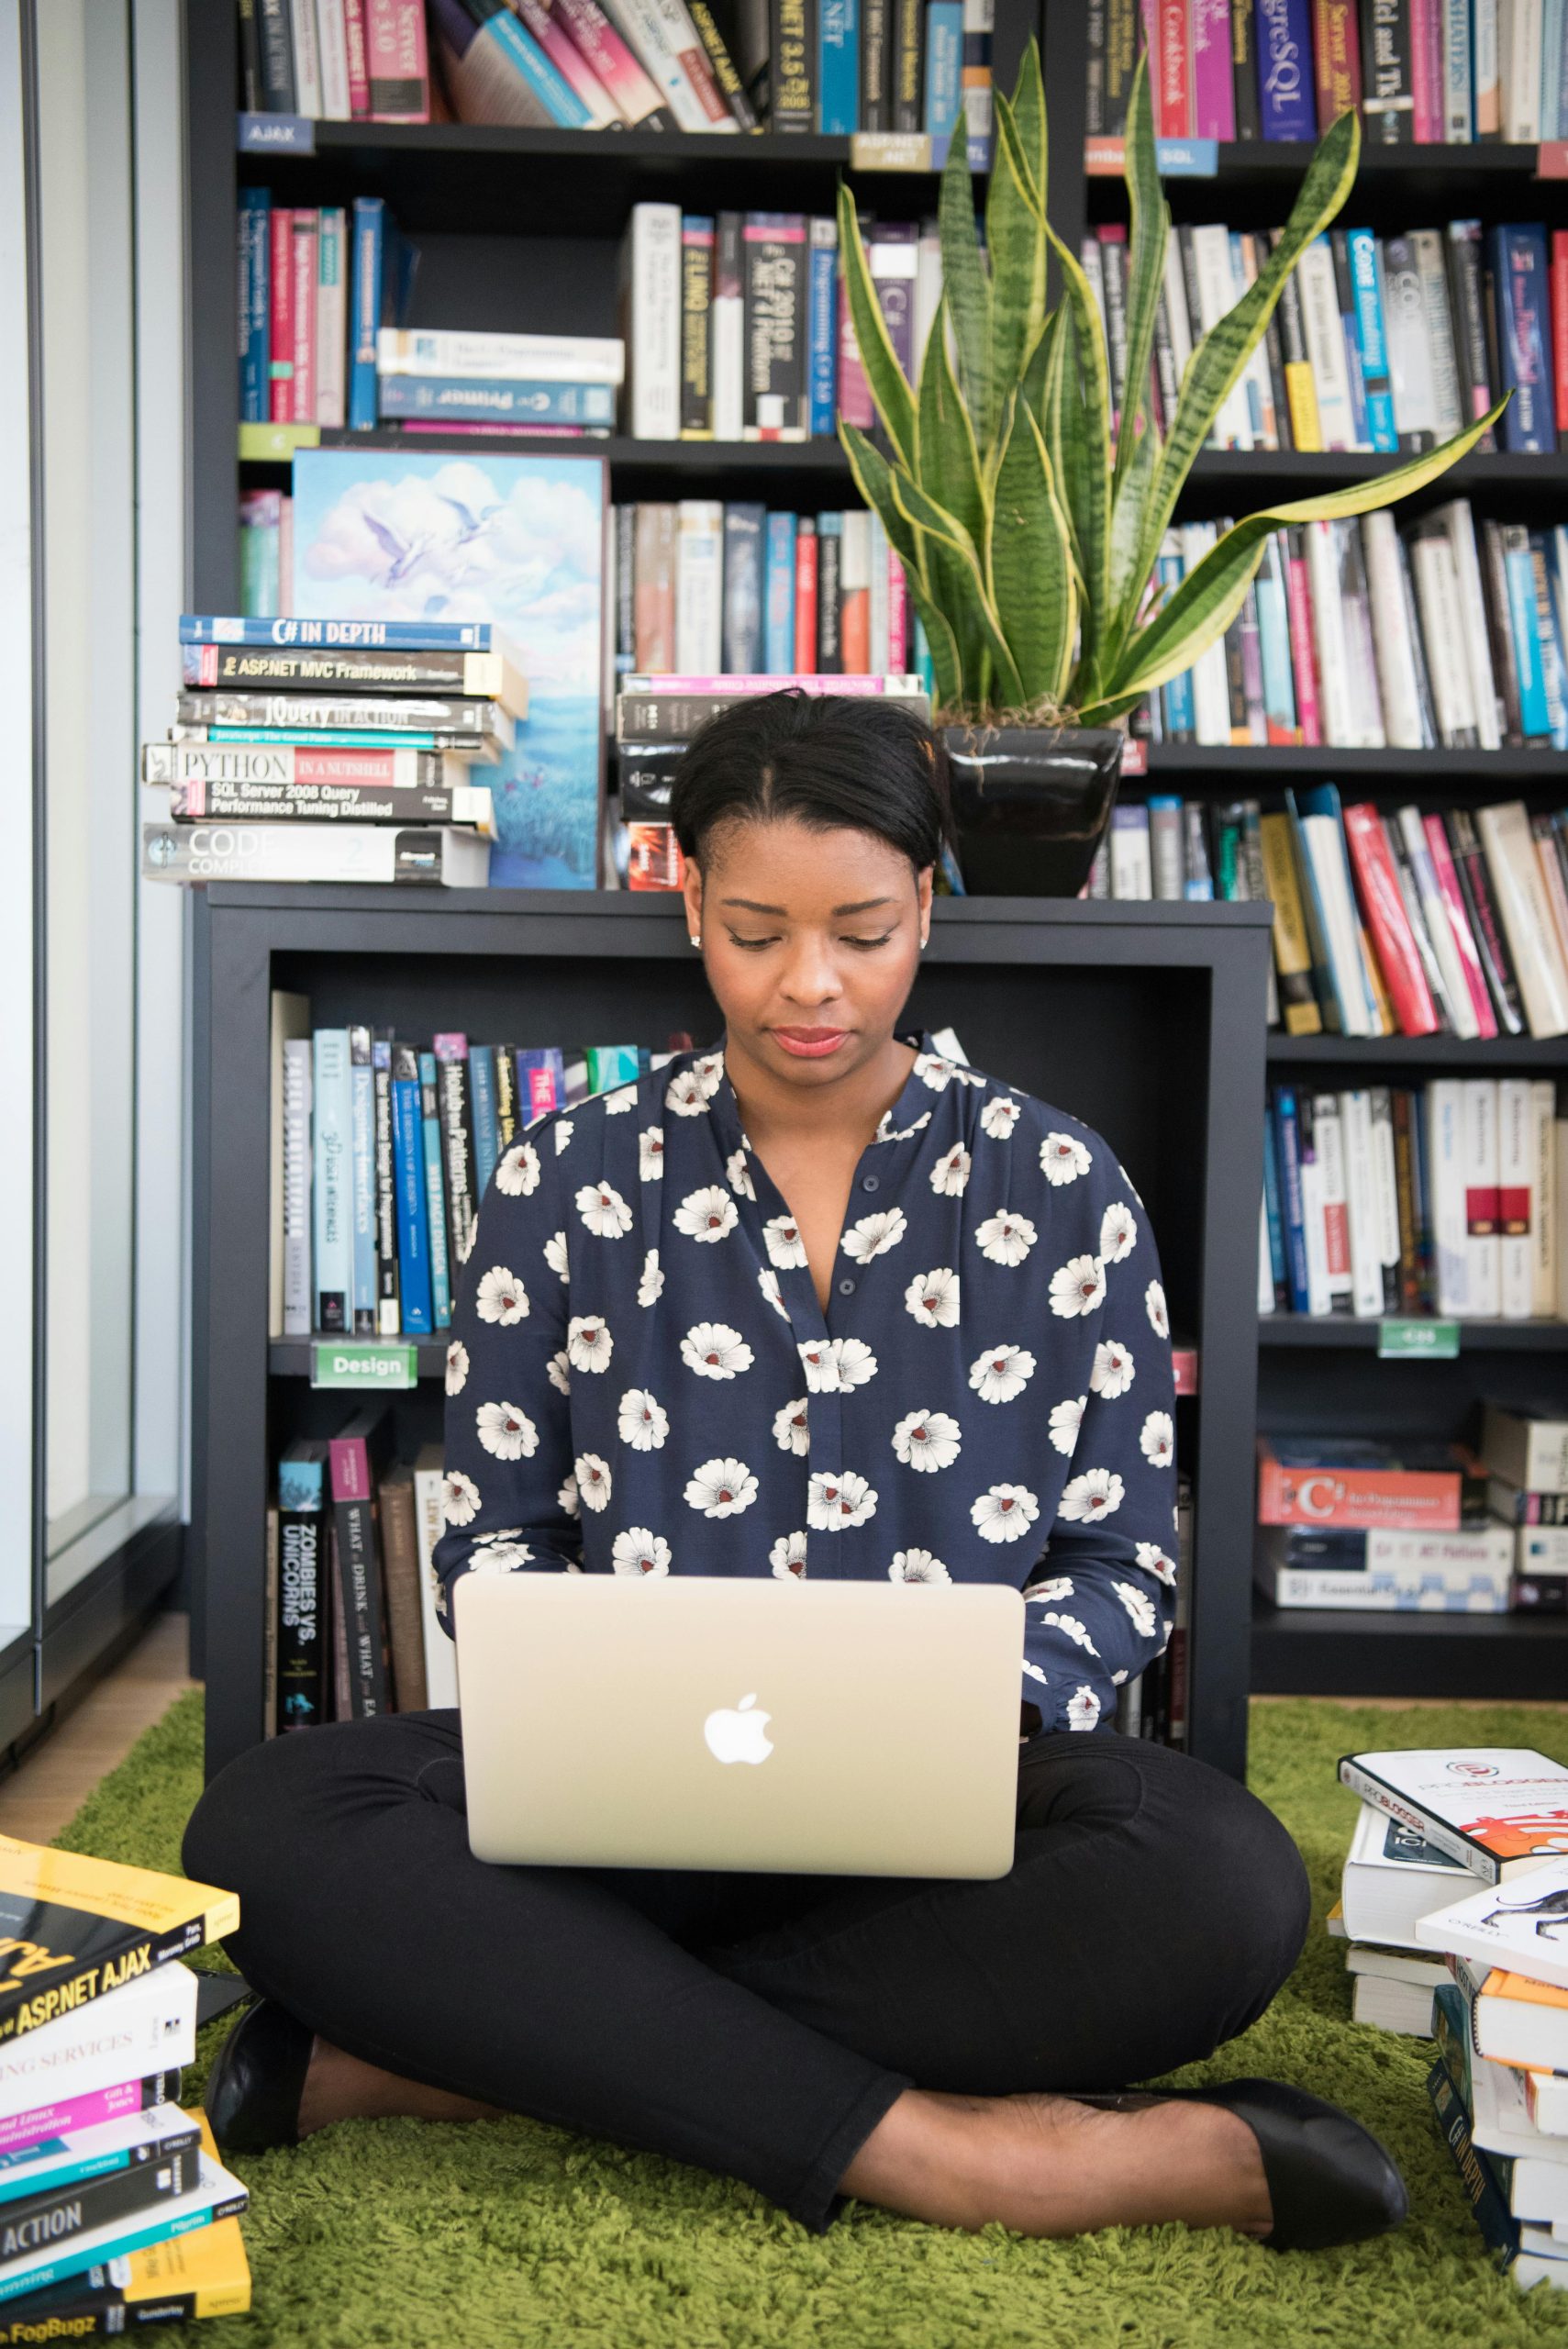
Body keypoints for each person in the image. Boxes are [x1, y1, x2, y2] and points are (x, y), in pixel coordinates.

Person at [187, 691, 1406, 2252]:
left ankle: (466, 2053)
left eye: (865, 929)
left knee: (1220, 1887)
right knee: (273, 1824)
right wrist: (596, 1687)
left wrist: (960, 1698)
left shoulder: (1059, 1179)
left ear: (926, 908)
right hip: (619, 1821)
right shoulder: (561, 1179)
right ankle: (979, 2163)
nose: (811, 985)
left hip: (955, 1823)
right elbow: (492, 1536)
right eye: (754, 930)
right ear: (685, 894)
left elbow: (1126, 1568)